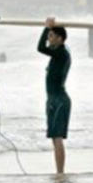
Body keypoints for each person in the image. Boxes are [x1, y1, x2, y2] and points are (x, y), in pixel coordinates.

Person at [37, 17, 72, 174]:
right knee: (54, 138)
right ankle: (59, 172)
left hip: (59, 100)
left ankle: (60, 173)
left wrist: (46, 28)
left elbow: (40, 48)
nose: (49, 39)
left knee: (57, 138)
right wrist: (49, 28)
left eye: (51, 36)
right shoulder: (57, 54)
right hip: (52, 100)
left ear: (60, 38)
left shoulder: (62, 53)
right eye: (49, 35)